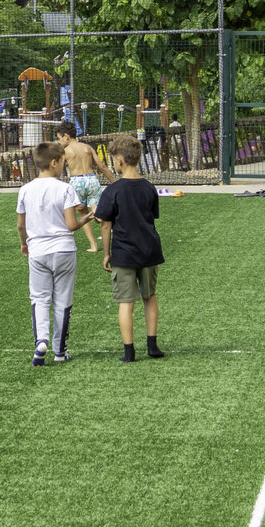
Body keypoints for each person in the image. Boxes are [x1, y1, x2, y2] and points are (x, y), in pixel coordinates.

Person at [17, 142, 91, 366]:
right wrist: (85, 219)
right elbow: (70, 225)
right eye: (63, 163)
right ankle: (60, 351)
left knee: (39, 298)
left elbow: (21, 225)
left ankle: (41, 341)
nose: (64, 168)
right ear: (54, 162)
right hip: (64, 250)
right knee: (62, 299)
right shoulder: (65, 188)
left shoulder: (25, 189)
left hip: (37, 250)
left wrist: (24, 244)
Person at [93, 135, 166, 363]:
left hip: (124, 254)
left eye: (114, 159)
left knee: (126, 302)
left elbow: (105, 224)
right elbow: (151, 216)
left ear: (121, 160)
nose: (113, 162)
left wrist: (106, 253)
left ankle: (129, 351)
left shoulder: (112, 191)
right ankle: (152, 345)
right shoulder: (149, 187)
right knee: (150, 296)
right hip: (149, 250)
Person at [57, 120, 117, 252]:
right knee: (96, 210)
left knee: (83, 212)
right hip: (92, 180)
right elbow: (101, 166)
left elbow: (58, 169)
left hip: (77, 182)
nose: (60, 142)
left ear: (66, 136)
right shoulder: (87, 148)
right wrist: (115, 182)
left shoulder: (65, 150)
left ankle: (94, 245)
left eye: (60, 139)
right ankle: (98, 213)